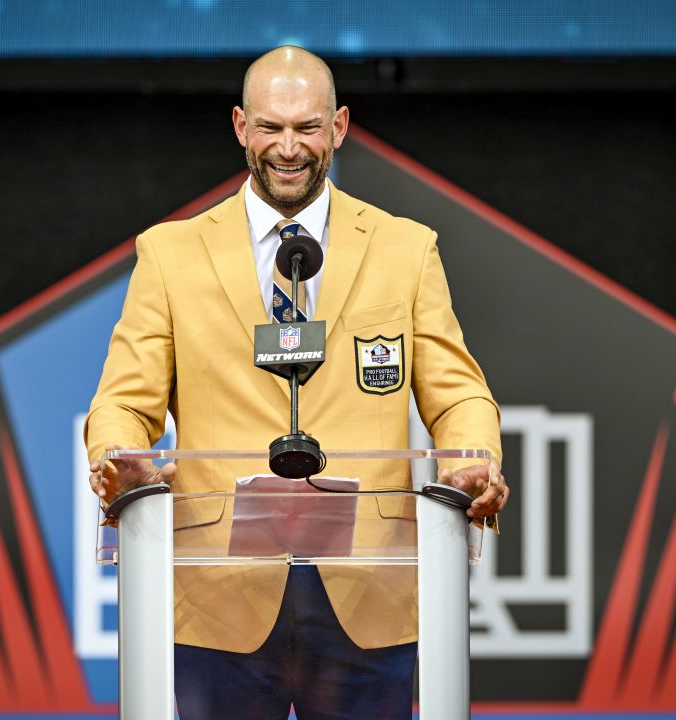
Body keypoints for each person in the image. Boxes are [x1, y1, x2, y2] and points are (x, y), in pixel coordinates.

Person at [85, 46, 509, 719]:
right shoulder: (169, 254)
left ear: (339, 127)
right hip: (217, 598)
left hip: (369, 594)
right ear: (239, 126)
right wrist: (116, 455)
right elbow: (122, 402)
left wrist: (474, 459)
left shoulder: (404, 248)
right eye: (270, 128)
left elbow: (456, 393)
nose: (288, 148)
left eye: (307, 128)